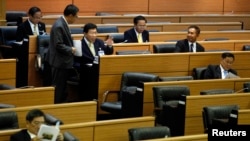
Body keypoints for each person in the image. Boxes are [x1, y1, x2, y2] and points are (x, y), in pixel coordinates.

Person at [46, 4, 79, 103]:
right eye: (76, 16)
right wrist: (71, 49)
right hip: (59, 62)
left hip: (63, 62)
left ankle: (61, 105)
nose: (76, 18)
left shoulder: (62, 23)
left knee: (62, 87)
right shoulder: (59, 26)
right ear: (70, 15)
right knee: (59, 88)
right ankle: (57, 106)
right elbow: (58, 45)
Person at [75, 23, 114, 101]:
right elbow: (75, 62)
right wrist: (84, 67)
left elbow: (108, 52)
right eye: (91, 33)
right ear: (85, 34)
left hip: (99, 69)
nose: (94, 35)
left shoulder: (99, 42)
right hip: (86, 72)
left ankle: (100, 99)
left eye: (95, 33)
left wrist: (109, 45)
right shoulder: (79, 44)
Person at [15, 6, 46, 88]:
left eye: (40, 17)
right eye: (36, 17)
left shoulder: (42, 25)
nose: (38, 20)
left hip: (39, 53)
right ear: (30, 16)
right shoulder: (22, 26)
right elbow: (18, 42)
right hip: (26, 55)